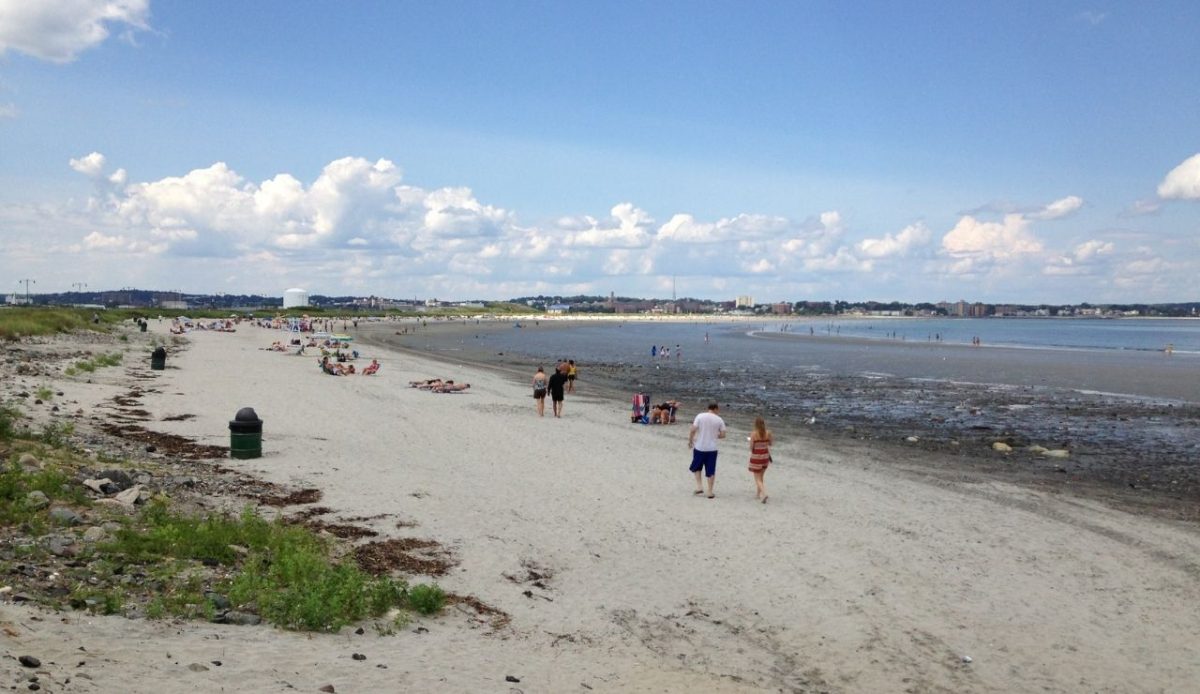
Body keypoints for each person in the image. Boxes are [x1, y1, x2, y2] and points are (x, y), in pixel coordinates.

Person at [688, 401, 727, 498]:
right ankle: (709, 491)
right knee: (710, 470)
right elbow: (723, 435)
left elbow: (693, 429)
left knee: (697, 467)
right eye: (718, 409)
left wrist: (690, 440)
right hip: (712, 448)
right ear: (715, 409)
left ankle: (699, 486)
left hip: (700, 446)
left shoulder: (700, 416)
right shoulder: (719, 419)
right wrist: (714, 435)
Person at [748, 416, 773, 503]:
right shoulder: (768, 433)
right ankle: (758, 494)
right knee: (761, 477)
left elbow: (751, 447)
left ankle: (764, 494)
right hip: (765, 457)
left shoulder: (753, 434)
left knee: (757, 478)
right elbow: (771, 444)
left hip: (756, 457)